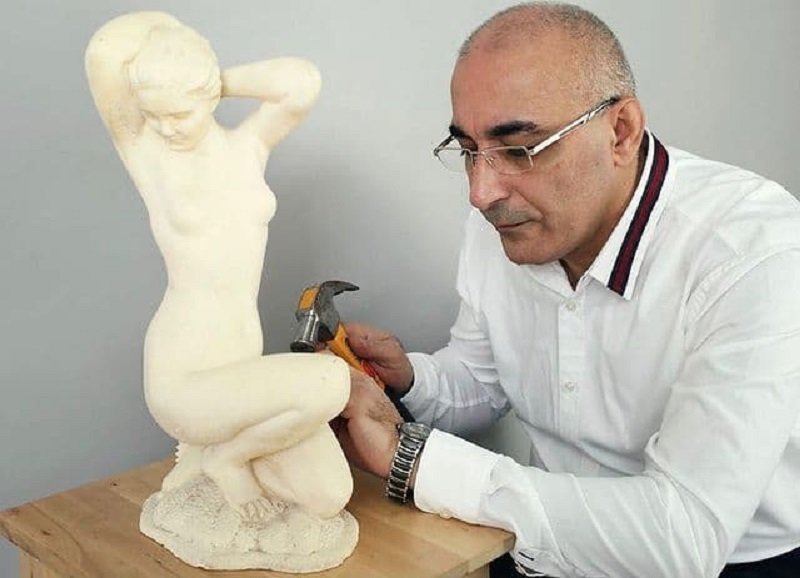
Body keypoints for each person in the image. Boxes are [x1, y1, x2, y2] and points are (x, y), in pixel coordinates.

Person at [335, 3, 800, 577]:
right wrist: (409, 379)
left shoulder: (755, 252)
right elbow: (483, 378)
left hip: (734, 561)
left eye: (519, 149)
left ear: (620, 132)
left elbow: (684, 537)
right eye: (468, 150)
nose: (481, 193)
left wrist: (413, 462)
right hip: (543, 540)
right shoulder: (507, 220)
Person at [85, 12, 353, 523]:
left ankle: (217, 453)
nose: (166, 127)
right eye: (155, 115)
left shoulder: (248, 147)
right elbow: (104, 52)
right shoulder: (148, 155)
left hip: (241, 368)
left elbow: (301, 83)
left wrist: (209, 76)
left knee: (328, 496)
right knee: (330, 382)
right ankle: (227, 459)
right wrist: (167, 41)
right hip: (184, 375)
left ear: (207, 97)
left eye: (179, 113)